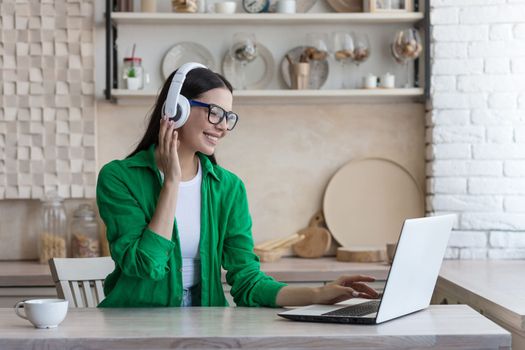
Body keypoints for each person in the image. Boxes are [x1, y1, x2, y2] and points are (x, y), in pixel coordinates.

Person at [96, 64, 379, 307]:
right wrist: (171, 182)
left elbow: (247, 281)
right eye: (215, 113)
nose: (223, 126)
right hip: (134, 324)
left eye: (228, 117)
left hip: (205, 323)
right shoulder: (119, 178)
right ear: (177, 109)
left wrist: (318, 294)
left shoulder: (228, 188)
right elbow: (145, 265)